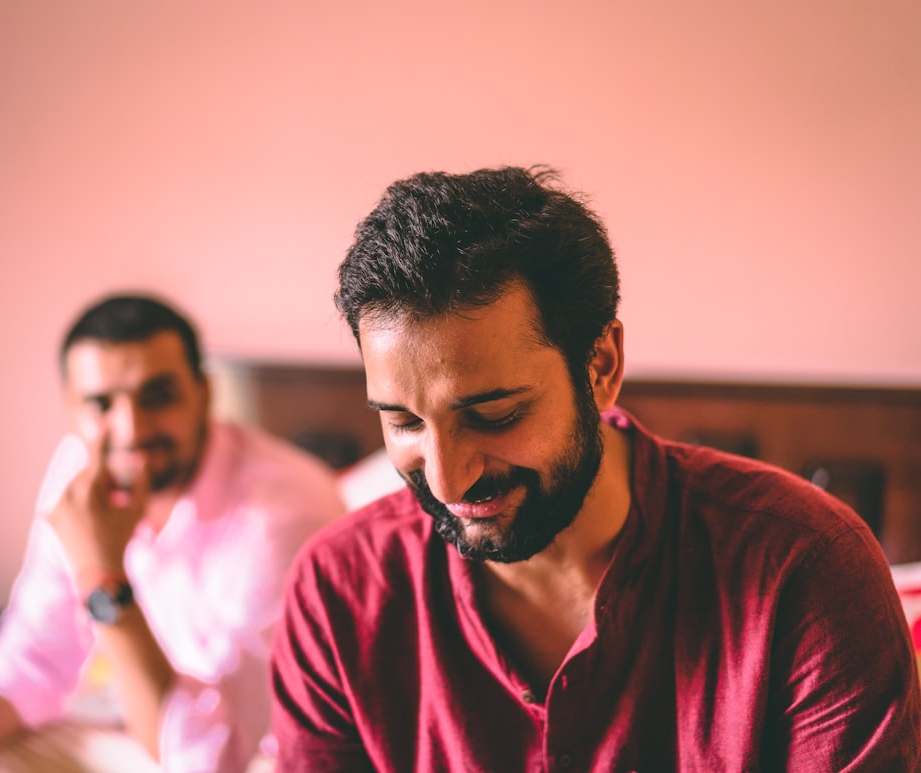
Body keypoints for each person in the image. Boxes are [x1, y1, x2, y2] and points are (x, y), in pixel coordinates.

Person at [271, 166, 921, 771]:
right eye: (405, 422)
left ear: (602, 365)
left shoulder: (803, 568)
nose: (446, 480)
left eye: (494, 414)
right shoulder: (337, 594)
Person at [0, 294, 346, 773]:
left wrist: (101, 576)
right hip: (149, 731)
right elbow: (35, 653)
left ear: (204, 392)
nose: (130, 430)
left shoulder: (282, 513)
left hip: (262, 756)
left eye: (157, 397)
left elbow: (214, 757)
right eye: (100, 404)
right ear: (70, 408)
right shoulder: (77, 471)